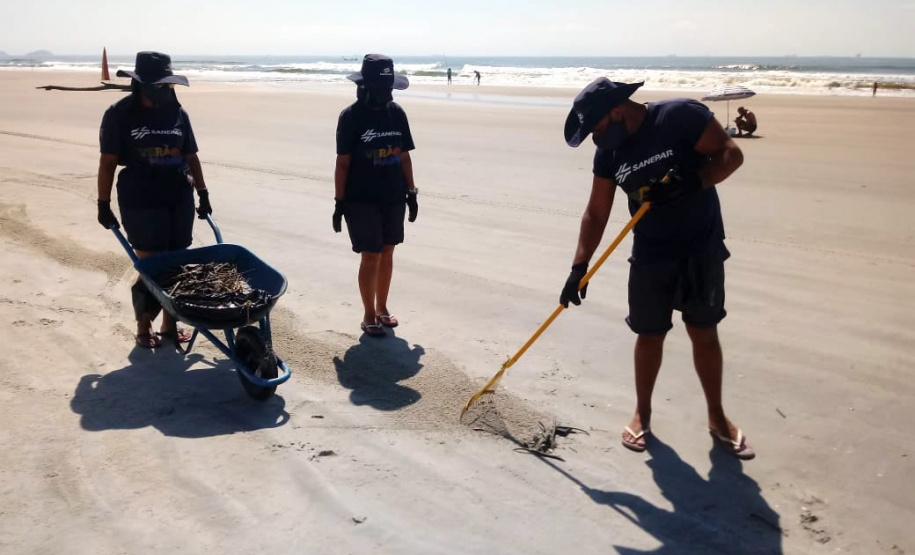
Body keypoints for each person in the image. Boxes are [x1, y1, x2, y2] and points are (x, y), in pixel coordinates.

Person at [560, 78, 753, 459]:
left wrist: (692, 181)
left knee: (704, 332)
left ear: (617, 111)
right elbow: (596, 212)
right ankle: (642, 413)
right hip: (651, 252)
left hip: (700, 247)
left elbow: (731, 155)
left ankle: (716, 416)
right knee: (649, 335)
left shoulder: (679, 116)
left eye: (597, 128)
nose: (597, 138)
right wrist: (578, 266)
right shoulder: (609, 152)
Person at [96, 52, 212, 349]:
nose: (166, 90)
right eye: (160, 85)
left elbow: (191, 156)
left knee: (176, 263)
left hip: (178, 195)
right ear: (142, 85)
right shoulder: (119, 113)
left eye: (168, 84)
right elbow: (108, 161)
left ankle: (169, 326)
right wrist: (103, 203)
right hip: (140, 197)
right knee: (152, 266)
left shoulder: (177, 113)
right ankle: (143, 326)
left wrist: (203, 192)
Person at [333, 54, 418, 337]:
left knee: (388, 251)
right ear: (364, 86)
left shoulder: (397, 113)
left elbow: (403, 156)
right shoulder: (350, 116)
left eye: (387, 88)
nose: (385, 94)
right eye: (380, 88)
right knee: (371, 255)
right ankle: (368, 313)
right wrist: (339, 202)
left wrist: (411, 192)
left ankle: (382, 307)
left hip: (393, 195)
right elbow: (343, 162)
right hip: (361, 198)